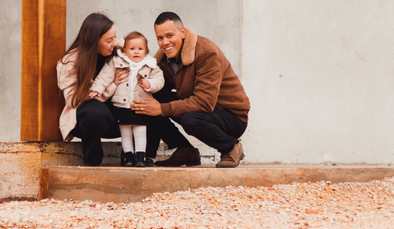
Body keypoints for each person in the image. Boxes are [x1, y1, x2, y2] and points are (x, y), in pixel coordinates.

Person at [131, 11, 251, 168]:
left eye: (169, 35)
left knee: (189, 119)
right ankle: (186, 150)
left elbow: (205, 102)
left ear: (182, 32)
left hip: (231, 116)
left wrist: (161, 108)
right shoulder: (162, 60)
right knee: (151, 95)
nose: (165, 42)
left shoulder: (207, 53)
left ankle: (231, 147)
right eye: (160, 38)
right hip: (201, 109)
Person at [57, 12, 125, 166]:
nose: (114, 43)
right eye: (109, 40)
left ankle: (135, 157)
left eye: (115, 37)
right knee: (95, 112)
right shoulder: (69, 63)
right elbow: (73, 100)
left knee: (144, 106)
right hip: (87, 120)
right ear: (93, 41)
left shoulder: (114, 49)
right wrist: (112, 85)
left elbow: (125, 43)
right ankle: (92, 161)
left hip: (114, 118)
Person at [91, 31, 165, 167]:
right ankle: (128, 157)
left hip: (140, 105)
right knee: (125, 133)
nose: (136, 52)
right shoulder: (117, 62)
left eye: (140, 49)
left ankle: (140, 157)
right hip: (121, 105)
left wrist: (150, 85)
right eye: (132, 49)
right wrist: (97, 88)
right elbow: (104, 76)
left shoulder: (150, 65)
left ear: (146, 51)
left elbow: (159, 80)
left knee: (140, 131)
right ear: (125, 51)